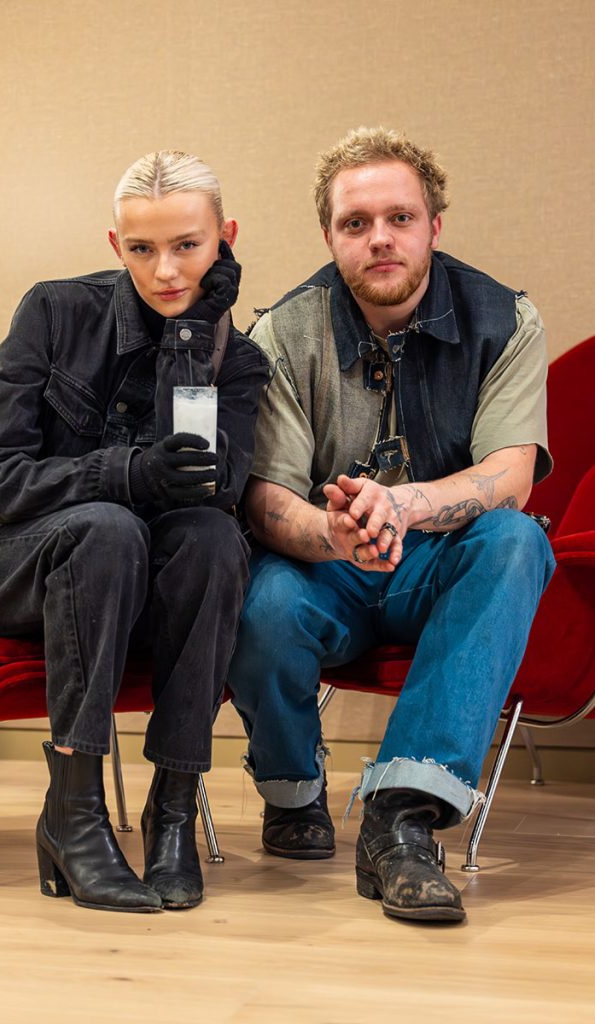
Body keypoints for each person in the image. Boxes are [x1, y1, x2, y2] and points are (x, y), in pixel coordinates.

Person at [0, 150, 268, 913]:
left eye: (187, 246)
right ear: (116, 245)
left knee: (213, 540)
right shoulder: (54, 311)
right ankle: (73, 816)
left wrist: (189, 341)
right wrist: (126, 472)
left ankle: (172, 814)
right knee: (107, 527)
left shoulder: (236, 361)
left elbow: (214, 490)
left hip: (118, 587)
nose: (164, 270)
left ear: (225, 241)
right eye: (142, 248)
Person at [227, 127, 555, 923]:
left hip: (438, 567)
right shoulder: (281, 333)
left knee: (517, 541)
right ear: (328, 236)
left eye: (399, 218)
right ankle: (292, 791)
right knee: (259, 594)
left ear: (433, 226)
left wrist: (403, 505)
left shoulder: (505, 319)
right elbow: (265, 498)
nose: (379, 238)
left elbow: (510, 474)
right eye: (355, 222)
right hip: (324, 569)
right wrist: (333, 535)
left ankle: (401, 820)